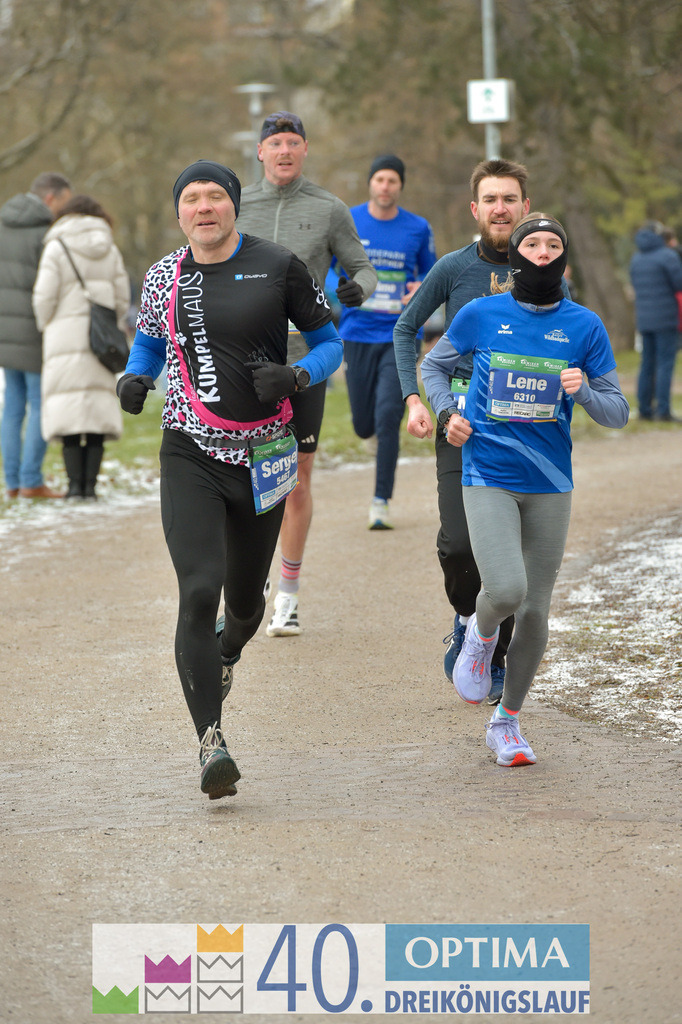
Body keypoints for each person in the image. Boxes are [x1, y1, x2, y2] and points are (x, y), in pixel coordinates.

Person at [117, 160, 342, 800]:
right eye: (191, 198)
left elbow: (331, 344)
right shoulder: (165, 276)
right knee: (198, 588)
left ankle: (228, 650)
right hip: (189, 451)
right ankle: (210, 741)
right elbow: (149, 345)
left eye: (216, 196)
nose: (204, 207)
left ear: (234, 206)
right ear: (179, 211)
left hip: (264, 456)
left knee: (243, 608)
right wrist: (135, 378)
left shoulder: (279, 265)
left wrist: (297, 377)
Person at [420, 213, 629, 766]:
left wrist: (583, 390)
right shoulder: (481, 314)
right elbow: (434, 368)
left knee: (536, 612)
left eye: (552, 243)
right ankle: (479, 635)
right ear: (515, 255)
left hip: (550, 483)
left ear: (563, 258)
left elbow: (618, 413)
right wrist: (447, 415)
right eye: (530, 243)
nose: (541, 250)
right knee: (507, 589)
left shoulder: (584, 326)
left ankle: (506, 722)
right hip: (487, 471)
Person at [394, 158, 543, 704]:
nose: (501, 208)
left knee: (510, 558)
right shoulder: (455, 269)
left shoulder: (550, 270)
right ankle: (465, 618)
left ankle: (494, 657)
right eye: (491, 200)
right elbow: (407, 328)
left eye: (510, 199)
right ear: (475, 208)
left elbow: (571, 340)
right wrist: (416, 398)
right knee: (460, 546)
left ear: (525, 207)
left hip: (527, 435)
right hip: (461, 426)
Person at [237, 111, 377, 636]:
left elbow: (362, 267)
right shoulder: (235, 205)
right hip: (242, 360)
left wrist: (358, 288)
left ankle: (288, 594)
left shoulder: (329, 208)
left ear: (305, 149)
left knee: (295, 483)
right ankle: (248, 582)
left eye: (293, 142)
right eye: (275, 143)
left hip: (305, 360)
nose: (284, 151)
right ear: (260, 152)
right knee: (242, 480)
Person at [335, 154, 436, 529]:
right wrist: (340, 290)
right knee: (364, 425)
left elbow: (431, 273)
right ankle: (372, 435)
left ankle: (380, 501)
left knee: (388, 416)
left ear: (400, 186)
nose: (385, 186)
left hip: (400, 334)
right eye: (379, 179)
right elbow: (331, 271)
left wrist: (419, 289)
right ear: (370, 183)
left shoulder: (417, 227)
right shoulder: (350, 219)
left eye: (392, 180)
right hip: (357, 332)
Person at [32, 194, 130, 499]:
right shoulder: (108, 246)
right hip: (100, 340)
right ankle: (91, 487)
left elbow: (44, 296)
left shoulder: (56, 246)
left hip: (65, 336)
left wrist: (45, 323)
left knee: (70, 414)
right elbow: (121, 297)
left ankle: (74, 487)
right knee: (96, 412)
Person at [0, 171, 73, 499]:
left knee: (12, 406)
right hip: (34, 331)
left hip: (4, 331)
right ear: (50, 198)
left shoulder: (2, 225)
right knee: (40, 403)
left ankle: (13, 483)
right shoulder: (47, 234)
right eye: (63, 203)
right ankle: (31, 480)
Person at [629, 220, 682, 422]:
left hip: (644, 318)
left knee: (647, 364)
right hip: (666, 318)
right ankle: (664, 410)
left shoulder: (636, 258)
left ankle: (644, 409)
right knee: (665, 364)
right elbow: (679, 283)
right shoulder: (668, 256)